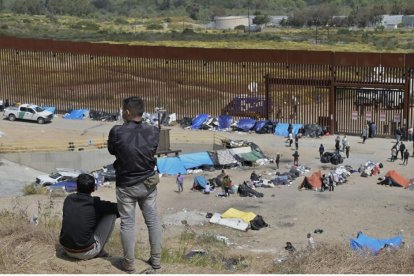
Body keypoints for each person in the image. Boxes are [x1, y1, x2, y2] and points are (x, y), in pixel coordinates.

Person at [107, 96, 162, 272]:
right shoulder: (154, 130)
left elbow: (112, 150)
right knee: (152, 222)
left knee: (127, 224)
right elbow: (152, 150)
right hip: (148, 183)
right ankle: (156, 261)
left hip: (126, 184)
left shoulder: (116, 131)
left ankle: (129, 263)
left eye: (124, 110)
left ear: (128, 112)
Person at [59, 174, 119, 260]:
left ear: (77, 187)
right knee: (111, 213)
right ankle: (100, 251)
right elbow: (118, 209)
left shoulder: (68, 199)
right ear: (93, 188)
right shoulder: (95, 203)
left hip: (66, 249)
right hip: (85, 252)